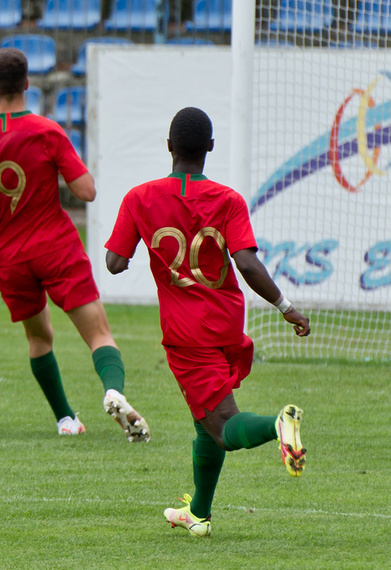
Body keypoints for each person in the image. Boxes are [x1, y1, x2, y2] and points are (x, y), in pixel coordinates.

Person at [105, 107, 310, 537]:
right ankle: (198, 513)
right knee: (204, 419)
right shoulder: (228, 199)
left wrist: (140, 246)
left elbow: (114, 262)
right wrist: (285, 305)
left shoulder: (140, 198)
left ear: (168, 146)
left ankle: (278, 425)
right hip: (226, 327)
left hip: (187, 335)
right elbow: (248, 264)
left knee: (221, 425)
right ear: (210, 148)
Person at [0, 47, 150, 441]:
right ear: (27, 85)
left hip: (8, 256)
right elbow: (87, 191)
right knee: (98, 334)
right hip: (55, 248)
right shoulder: (47, 132)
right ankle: (113, 391)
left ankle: (65, 420)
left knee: (39, 337)